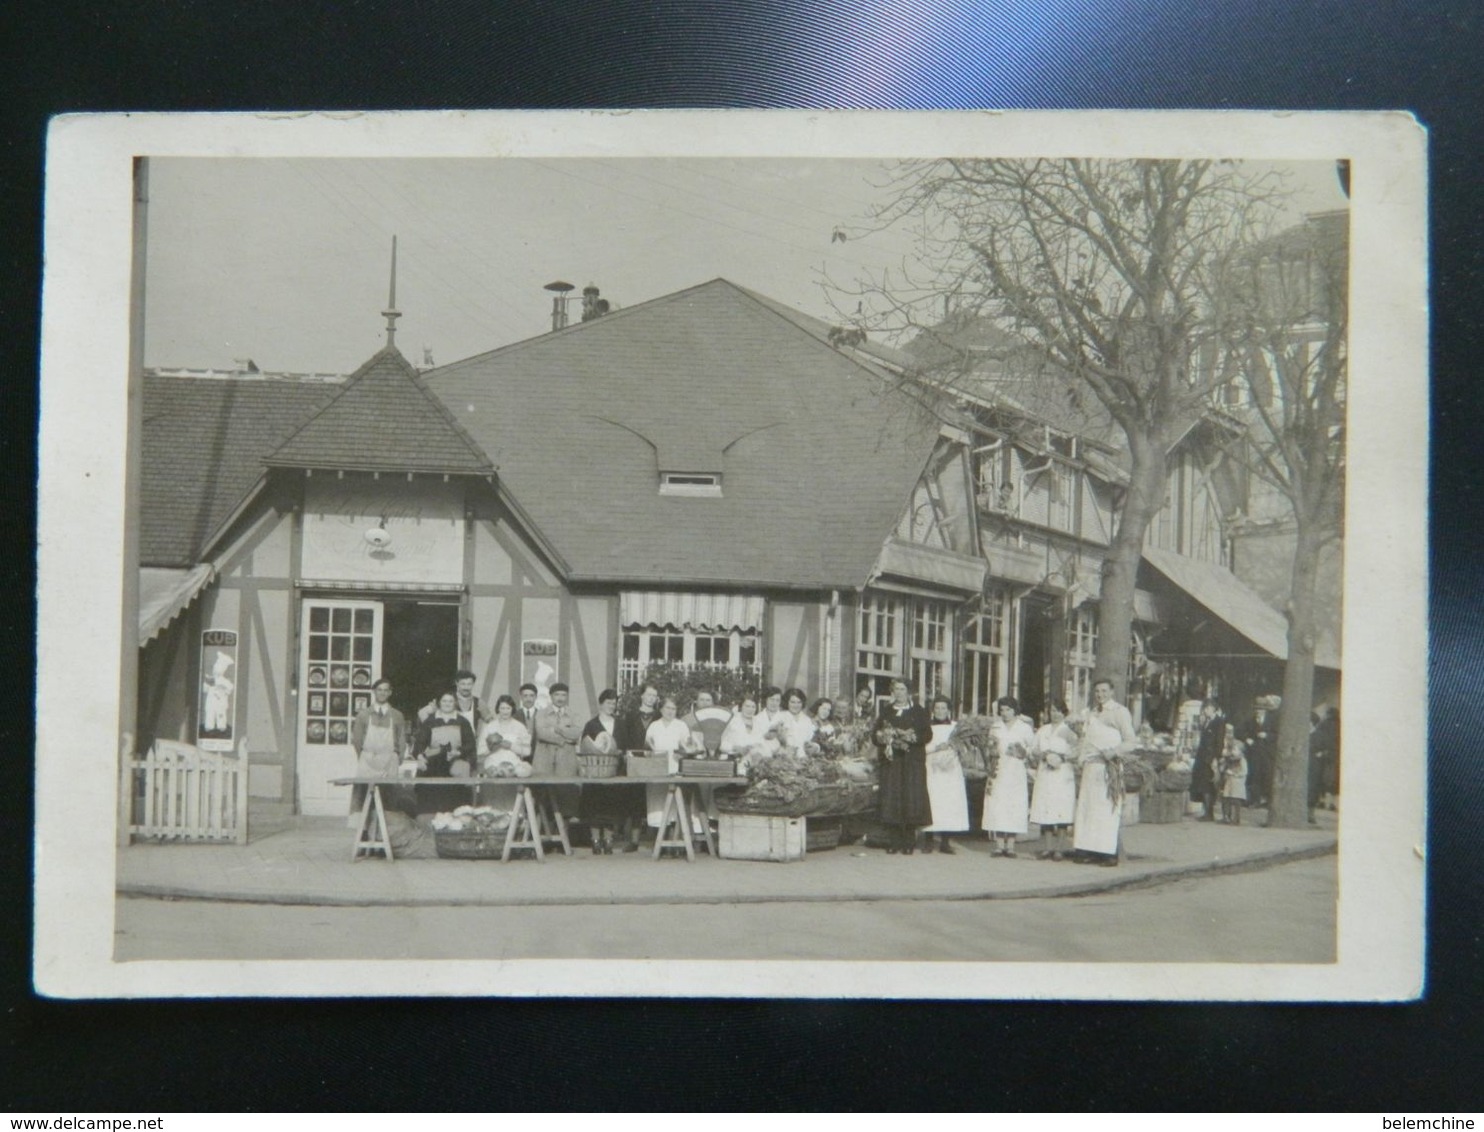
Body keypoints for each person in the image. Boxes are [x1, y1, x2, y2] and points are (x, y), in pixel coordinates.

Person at [1073, 678, 1138, 866]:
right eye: (1097, 692)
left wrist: (1114, 751)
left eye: (1104, 691)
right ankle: (1089, 850)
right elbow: (1086, 741)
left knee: (1106, 808)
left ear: (1112, 692)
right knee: (1088, 808)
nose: (1100, 695)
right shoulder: (1091, 714)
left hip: (1109, 767)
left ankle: (1108, 852)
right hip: (1091, 767)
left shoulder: (1119, 712)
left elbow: (1130, 741)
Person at [872, 677, 932, 854]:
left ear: (909, 692)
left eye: (902, 689)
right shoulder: (886, 711)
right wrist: (884, 736)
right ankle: (894, 841)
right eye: (896, 689)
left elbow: (927, 734)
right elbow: (875, 734)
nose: (899, 693)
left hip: (912, 762)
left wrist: (912, 738)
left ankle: (909, 841)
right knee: (893, 799)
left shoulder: (919, 712)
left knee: (911, 798)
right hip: (892, 762)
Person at [347, 676, 409, 828]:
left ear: (390, 693)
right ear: (374, 692)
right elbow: (357, 740)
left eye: (385, 690)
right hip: (368, 761)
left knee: (389, 797)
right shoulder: (363, 715)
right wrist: (364, 758)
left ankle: (386, 835)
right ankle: (364, 833)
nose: (382, 693)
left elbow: (401, 738)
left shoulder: (397, 715)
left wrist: (397, 758)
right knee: (364, 797)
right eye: (379, 690)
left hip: (389, 761)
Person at [577, 688, 632, 854]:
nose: (611, 706)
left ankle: (608, 839)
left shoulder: (620, 724)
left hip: (614, 771)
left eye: (614, 703)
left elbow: (625, 745)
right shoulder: (591, 724)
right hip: (595, 771)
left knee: (611, 807)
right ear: (601, 704)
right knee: (594, 806)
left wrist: (620, 751)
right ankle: (595, 840)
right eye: (608, 703)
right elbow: (585, 747)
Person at [983, 695, 1034, 857]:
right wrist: (990, 751)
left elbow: (1032, 750)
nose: (1004, 713)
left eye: (1008, 710)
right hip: (998, 770)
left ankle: (1011, 846)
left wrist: (1022, 752)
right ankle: (999, 845)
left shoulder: (1024, 727)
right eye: (1002, 710)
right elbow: (989, 748)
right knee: (998, 805)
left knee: (1014, 806)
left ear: (1015, 710)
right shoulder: (995, 727)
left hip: (1015, 772)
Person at [412, 691, 478, 814]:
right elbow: (419, 743)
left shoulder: (462, 721)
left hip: (455, 764)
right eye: (444, 701)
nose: (447, 704)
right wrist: (420, 756)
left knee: (454, 799)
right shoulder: (430, 721)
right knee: (430, 798)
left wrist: (458, 752)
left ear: (455, 703)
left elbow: (470, 744)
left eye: (450, 701)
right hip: (434, 765)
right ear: (439, 703)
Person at [1030, 699, 1078, 860]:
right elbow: (1033, 749)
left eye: (1058, 711)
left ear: (1064, 713)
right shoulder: (1043, 730)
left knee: (1061, 811)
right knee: (1046, 810)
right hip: (1045, 773)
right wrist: (1043, 754)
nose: (1055, 714)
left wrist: (1061, 758)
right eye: (1052, 711)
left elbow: (1076, 751)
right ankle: (1048, 848)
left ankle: (1060, 849)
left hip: (1062, 775)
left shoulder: (1068, 731)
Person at [922, 695, 968, 854]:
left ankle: (945, 842)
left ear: (949, 710)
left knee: (948, 804)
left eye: (943, 708)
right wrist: (936, 748)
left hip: (950, 770)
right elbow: (920, 749)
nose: (940, 711)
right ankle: (928, 840)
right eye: (937, 708)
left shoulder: (956, 727)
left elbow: (964, 748)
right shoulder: (926, 727)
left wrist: (955, 748)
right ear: (933, 710)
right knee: (932, 802)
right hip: (932, 768)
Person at [645, 695, 696, 835]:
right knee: (658, 805)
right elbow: (648, 744)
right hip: (657, 768)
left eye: (673, 709)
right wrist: (650, 746)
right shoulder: (654, 726)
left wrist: (683, 752)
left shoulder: (681, 725)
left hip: (675, 768)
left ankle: (674, 841)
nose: (670, 711)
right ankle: (659, 839)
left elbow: (688, 746)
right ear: (661, 709)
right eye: (667, 708)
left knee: (675, 804)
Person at [532, 682, 584, 820]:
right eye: (557, 695)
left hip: (566, 761)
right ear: (551, 696)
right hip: (545, 760)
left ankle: (564, 836)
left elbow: (576, 733)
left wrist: (558, 728)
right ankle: (542, 832)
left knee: (565, 795)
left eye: (563, 695)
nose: (560, 698)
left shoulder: (573, 714)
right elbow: (541, 733)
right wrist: (563, 739)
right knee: (543, 796)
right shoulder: (541, 714)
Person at [475, 693, 531, 815]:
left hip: (512, 766)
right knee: (493, 801)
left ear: (512, 709)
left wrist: (511, 746)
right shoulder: (490, 726)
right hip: (493, 765)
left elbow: (527, 751)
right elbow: (480, 751)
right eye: (502, 708)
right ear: (497, 709)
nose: (505, 712)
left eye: (508, 708)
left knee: (511, 800)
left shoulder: (519, 727)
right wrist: (493, 747)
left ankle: (514, 819)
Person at [1238, 694, 1281, 810]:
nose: (1258, 711)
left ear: (1266, 710)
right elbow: (1240, 731)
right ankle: (1254, 800)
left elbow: (1278, 735)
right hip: (1254, 752)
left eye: (1261, 709)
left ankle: (1268, 800)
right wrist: (1247, 739)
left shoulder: (1273, 719)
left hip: (1268, 753)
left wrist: (1267, 735)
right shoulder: (1251, 720)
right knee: (1255, 776)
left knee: (1268, 776)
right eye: (1257, 709)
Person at [417, 668, 494, 732]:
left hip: (470, 745)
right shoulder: (447, 699)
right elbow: (422, 713)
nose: (466, 687)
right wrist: (434, 731)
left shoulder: (478, 703)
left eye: (469, 684)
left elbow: (492, 723)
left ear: (473, 684)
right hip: (448, 744)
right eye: (463, 684)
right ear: (457, 683)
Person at [1192, 698, 1228, 822]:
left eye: (1207, 708)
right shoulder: (1207, 722)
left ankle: (1209, 812)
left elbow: (1219, 742)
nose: (1205, 711)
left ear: (1213, 709)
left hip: (1210, 758)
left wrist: (1216, 758)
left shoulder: (1219, 722)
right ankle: (1206, 810)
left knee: (1208, 785)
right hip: (1202, 757)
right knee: (1202, 784)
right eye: (1204, 709)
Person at [719, 694, 777, 768]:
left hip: (757, 761)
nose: (750, 709)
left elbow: (766, 744)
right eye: (747, 706)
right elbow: (723, 745)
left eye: (753, 707)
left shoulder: (760, 723)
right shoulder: (733, 722)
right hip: (737, 760)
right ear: (741, 706)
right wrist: (736, 748)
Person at [682, 690, 733, 755]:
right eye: (701, 699)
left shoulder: (720, 719)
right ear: (696, 701)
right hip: (693, 756)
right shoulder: (686, 719)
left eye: (708, 700)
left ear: (712, 703)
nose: (705, 702)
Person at [778, 687, 818, 755]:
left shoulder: (807, 720)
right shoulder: (780, 717)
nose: (796, 705)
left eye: (799, 702)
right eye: (792, 702)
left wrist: (814, 747)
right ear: (787, 702)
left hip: (804, 758)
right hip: (785, 758)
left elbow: (812, 740)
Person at [1219, 737, 1249, 825]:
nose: (1233, 751)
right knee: (1226, 799)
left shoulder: (1242, 760)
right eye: (1232, 749)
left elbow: (1244, 772)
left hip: (1237, 784)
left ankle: (1236, 819)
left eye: (1235, 749)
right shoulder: (1229, 759)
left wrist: (1234, 773)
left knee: (1236, 801)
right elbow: (1223, 768)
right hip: (1229, 783)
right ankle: (1226, 816)